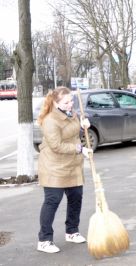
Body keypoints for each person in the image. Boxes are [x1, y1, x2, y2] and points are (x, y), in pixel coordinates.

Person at [36, 87, 92, 253]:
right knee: (52, 201)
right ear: (56, 103)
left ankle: (72, 231)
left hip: (72, 165)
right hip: (53, 166)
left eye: (71, 101)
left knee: (76, 197)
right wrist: (80, 149)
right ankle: (44, 240)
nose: (70, 104)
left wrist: (84, 125)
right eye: (66, 102)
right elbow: (56, 145)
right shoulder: (50, 120)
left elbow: (74, 130)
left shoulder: (71, 113)